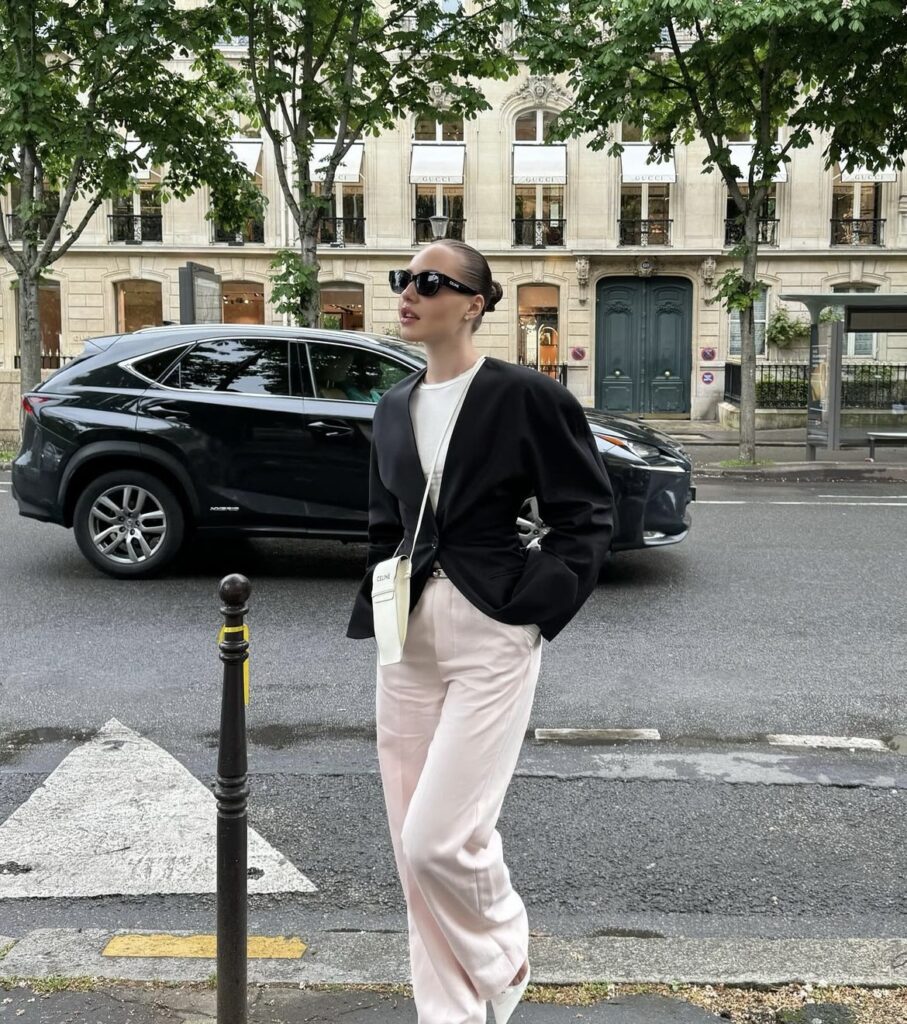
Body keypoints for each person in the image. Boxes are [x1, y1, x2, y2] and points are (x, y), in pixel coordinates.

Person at [346, 239, 613, 1024]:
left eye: (431, 281)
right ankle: (450, 1011)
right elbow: (379, 522)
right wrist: (382, 584)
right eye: (405, 279)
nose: (409, 292)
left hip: (490, 631)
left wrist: (530, 607)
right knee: (408, 849)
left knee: (440, 839)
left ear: (474, 302)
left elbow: (585, 518)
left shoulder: (523, 396)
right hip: (407, 640)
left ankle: (501, 954)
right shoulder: (393, 406)